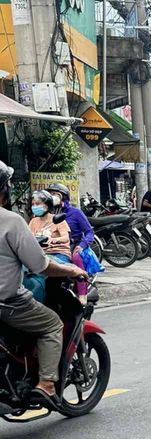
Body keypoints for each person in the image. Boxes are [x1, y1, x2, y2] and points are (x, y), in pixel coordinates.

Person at [0, 164, 86, 407]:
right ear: (5, 189)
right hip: (9, 303)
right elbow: (41, 265)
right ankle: (47, 384)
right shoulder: (12, 221)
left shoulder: (56, 220)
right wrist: (73, 270)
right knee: (51, 324)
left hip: (58, 254)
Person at [47, 183, 93, 301]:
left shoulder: (75, 213)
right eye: (50, 194)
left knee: (76, 257)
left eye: (55, 194)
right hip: (53, 245)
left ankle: (83, 294)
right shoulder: (48, 213)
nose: (52, 197)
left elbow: (89, 232)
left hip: (73, 244)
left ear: (63, 197)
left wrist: (82, 245)